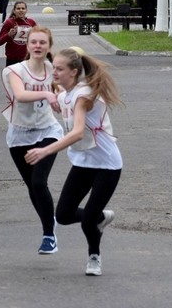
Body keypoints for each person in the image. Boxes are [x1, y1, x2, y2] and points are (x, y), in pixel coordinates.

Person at [24, 48, 122, 275]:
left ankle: (94, 257)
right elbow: (58, 92)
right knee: (64, 215)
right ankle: (101, 217)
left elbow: (77, 132)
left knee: (87, 221)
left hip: (107, 165)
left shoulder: (84, 96)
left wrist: (44, 151)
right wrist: (54, 96)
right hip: (84, 162)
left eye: (59, 69)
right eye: (53, 68)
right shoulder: (65, 93)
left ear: (74, 72)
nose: (54, 72)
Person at [1, 26, 62, 254]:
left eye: (42, 43)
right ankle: (49, 220)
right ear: (26, 45)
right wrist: (48, 94)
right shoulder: (14, 71)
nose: (38, 46)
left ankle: (49, 234)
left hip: (48, 131)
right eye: (34, 42)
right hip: (19, 134)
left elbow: (66, 91)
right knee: (32, 186)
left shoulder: (53, 69)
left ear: (49, 46)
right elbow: (20, 95)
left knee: (39, 182)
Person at [0, 1, 36, 67]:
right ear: (14, 11)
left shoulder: (31, 22)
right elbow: (0, 41)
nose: (21, 10)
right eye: (18, 9)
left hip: (27, 58)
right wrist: (9, 35)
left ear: (26, 10)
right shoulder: (9, 22)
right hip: (12, 59)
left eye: (23, 8)